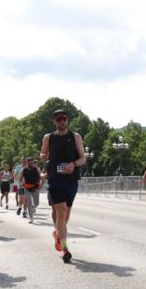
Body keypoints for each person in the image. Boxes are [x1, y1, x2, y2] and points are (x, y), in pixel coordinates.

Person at [40, 108, 86, 263]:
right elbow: (42, 154)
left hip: (71, 180)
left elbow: (83, 159)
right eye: (58, 119)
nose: (61, 121)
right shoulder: (49, 137)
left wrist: (73, 164)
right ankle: (65, 249)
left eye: (64, 119)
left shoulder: (75, 137)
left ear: (67, 120)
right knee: (60, 212)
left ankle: (57, 234)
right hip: (55, 179)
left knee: (66, 215)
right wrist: (44, 157)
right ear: (54, 122)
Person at [21, 158, 42, 224]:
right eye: (28, 162)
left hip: (35, 187)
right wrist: (22, 183)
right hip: (27, 188)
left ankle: (34, 206)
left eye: (31, 162)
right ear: (26, 163)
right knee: (29, 203)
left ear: (33, 162)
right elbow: (21, 178)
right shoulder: (24, 170)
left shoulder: (37, 169)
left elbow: (40, 177)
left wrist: (40, 183)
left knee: (36, 203)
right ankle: (31, 218)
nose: (30, 163)